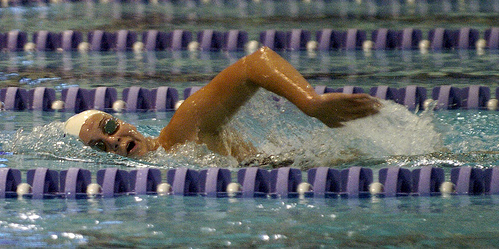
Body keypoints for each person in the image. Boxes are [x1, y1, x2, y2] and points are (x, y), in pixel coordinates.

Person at [65, 46, 381, 161]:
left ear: (124, 121)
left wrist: (311, 103)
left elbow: (255, 64)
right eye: (100, 146)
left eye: (109, 127)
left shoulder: (181, 132)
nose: (113, 141)